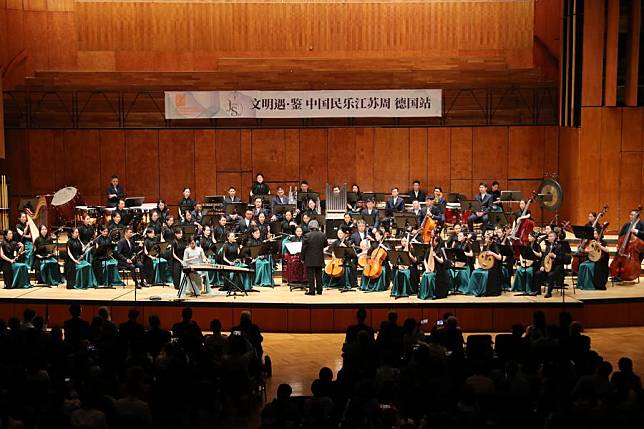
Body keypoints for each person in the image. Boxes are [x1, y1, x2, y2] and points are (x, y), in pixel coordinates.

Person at [465, 231, 502, 296]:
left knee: (485, 274)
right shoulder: (485, 246)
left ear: (491, 239)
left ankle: (483, 291)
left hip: (494, 268)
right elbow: (482, 256)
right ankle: (473, 290)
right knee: (474, 272)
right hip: (486, 266)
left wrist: (492, 253)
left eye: (487, 238)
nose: (485, 239)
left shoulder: (495, 245)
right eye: (485, 238)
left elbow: (499, 257)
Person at [535, 230, 570, 298]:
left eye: (551, 236)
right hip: (547, 266)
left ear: (555, 237)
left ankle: (549, 292)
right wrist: (542, 265)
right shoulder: (548, 246)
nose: (549, 237)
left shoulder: (560, 246)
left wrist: (555, 256)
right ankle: (538, 291)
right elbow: (544, 257)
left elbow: (564, 259)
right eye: (549, 236)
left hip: (557, 266)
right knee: (538, 273)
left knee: (551, 275)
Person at [302, 220, 327, 296]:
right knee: (319, 275)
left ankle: (312, 291)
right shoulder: (322, 235)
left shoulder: (307, 235)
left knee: (311, 276)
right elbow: (325, 244)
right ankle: (319, 290)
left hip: (309, 259)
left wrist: (302, 258)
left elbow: (304, 248)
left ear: (310, 227)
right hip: (319, 258)